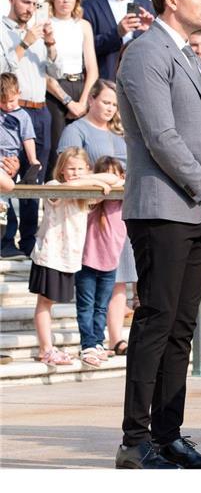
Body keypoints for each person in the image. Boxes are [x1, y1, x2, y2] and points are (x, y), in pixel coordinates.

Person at [114, 0, 201, 469]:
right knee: (156, 322)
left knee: (183, 326)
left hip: (198, 208)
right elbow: (161, 136)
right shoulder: (146, 52)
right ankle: (134, 441)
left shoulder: (189, 55)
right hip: (163, 208)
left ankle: (169, 435)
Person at [57, 79, 133, 356]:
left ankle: (115, 338)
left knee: (120, 280)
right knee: (93, 292)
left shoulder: (120, 136)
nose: (110, 108)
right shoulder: (76, 130)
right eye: (106, 102)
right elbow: (67, 169)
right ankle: (91, 340)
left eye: (115, 104)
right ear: (91, 100)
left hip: (119, 220)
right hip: (90, 221)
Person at [30, 147, 120, 367]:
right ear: (61, 170)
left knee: (52, 301)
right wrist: (95, 183)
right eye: (71, 168)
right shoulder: (54, 186)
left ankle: (52, 348)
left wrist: (92, 179)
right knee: (45, 301)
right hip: (50, 255)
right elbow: (68, 187)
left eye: (80, 168)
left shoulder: (85, 192)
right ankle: (46, 349)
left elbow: (114, 179)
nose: (76, 172)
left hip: (69, 259)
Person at [2, 0, 61, 258]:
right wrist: (25, 43)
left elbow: (56, 73)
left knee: (33, 177)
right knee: (8, 173)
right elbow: (2, 69)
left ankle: (27, 241)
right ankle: (5, 238)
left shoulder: (37, 33)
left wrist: (49, 45)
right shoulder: (3, 31)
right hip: (11, 110)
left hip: (40, 110)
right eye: (25, 2)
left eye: (35, 4)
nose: (29, 9)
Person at [42, 0, 99, 176]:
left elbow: (92, 68)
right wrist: (68, 103)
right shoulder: (45, 25)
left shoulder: (83, 25)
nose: (65, 0)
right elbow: (44, 72)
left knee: (82, 149)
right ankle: (55, 199)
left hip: (81, 88)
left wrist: (83, 102)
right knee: (57, 149)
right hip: (55, 91)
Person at [75, 156, 127, 368]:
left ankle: (97, 341)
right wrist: (99, 184)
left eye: (115, 174)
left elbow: (124, 182)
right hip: (87, 262)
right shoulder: (92, 200)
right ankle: (87, 343)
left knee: (101, 306)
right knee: (86, 305)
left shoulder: (123, 197)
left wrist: (109, 181)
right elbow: (81, 185)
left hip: (110, 263)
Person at [0, 73, 41, 185]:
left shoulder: (23, 116)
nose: (7, 106)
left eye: (11, 101)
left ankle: (4, 201)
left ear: (19, 94)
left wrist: (33, 159)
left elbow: (27, 138)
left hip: (10, 156)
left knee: (6, 179)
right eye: (3, 102)